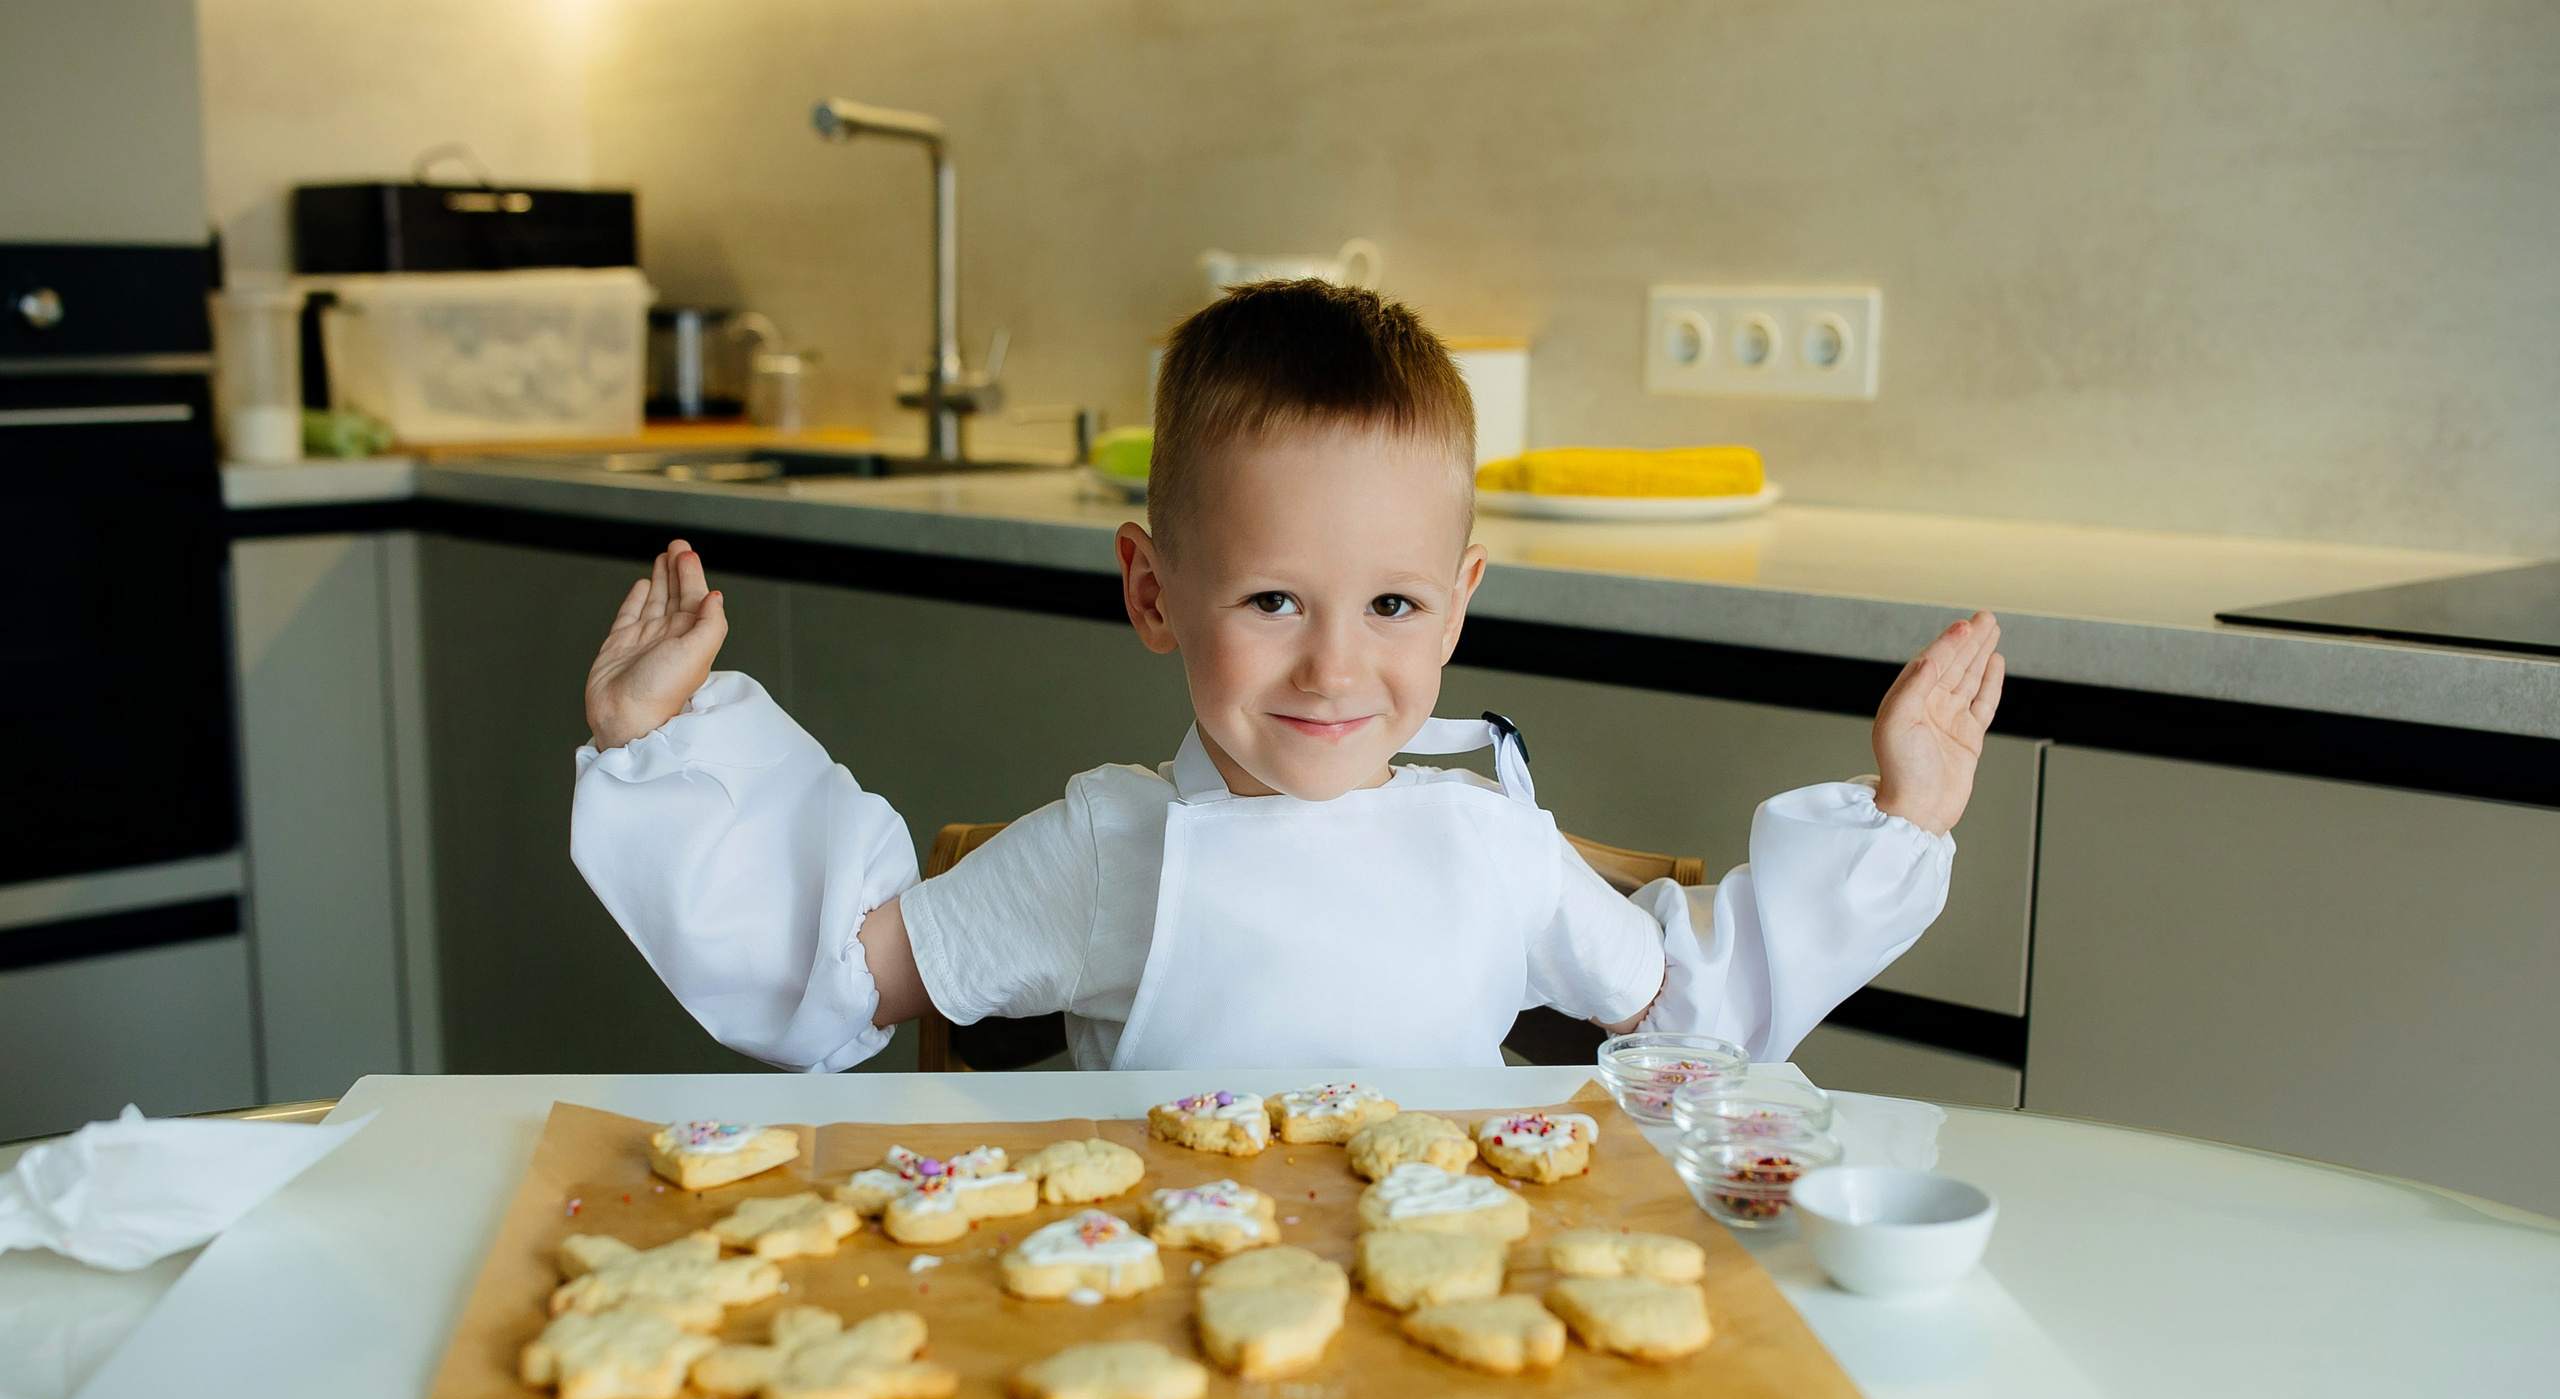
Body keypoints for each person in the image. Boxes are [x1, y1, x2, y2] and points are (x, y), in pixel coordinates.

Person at [572, 281, 2005, 1073]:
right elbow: (845, 973)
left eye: (1392, 605)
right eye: (1272, 600)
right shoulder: (1103, 854)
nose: (1335, 665)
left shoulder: (1496, 846)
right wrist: (662, 747)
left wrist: (1902, 821)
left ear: (1458, 608)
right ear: (1153, 592)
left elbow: (1698, 1021)